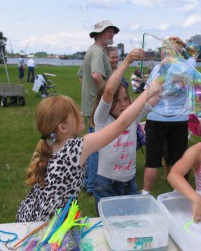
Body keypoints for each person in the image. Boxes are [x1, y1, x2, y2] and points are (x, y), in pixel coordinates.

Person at [15, 48, 155, 222]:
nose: (81, 112)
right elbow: (122, 123)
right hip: (46, 224)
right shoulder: (77, 148)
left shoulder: (51, 144)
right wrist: (148, 91)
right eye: (75, 112)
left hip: (32, 215)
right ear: (63, 128)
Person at [92, 48, 155, 210]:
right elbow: (108, 90)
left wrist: (165, 78)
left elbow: (152, 100)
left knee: (131, 220)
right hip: (106, 184)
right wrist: (127, 61)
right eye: (116, 100)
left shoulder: (132, 118)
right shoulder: (102, 120)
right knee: (108, 224)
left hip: (130, 182)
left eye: (126, 99)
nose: (122, 104)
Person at [142, 36, 194, 194]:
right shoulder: (188, 66)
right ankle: (179, 192)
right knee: (180, 159)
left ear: (165, 51)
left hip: (156, 117)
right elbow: (193, 55)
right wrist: (183, 44)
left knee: (152, 161)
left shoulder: (160, 68)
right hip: (179, 119)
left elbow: (149, 91)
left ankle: (145, 193)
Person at [78, 19, 119, 195]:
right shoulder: (97, 52)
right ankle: (92, 185)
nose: (112, 34)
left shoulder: (94, 51)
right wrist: (105, 95)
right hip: (97, 105)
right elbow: (95, 75)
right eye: (109, 31)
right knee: (96, 145)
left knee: (91, 143)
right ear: (99, 34)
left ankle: (87, 180)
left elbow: (81, 75)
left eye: (112, 31)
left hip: (91, 103)